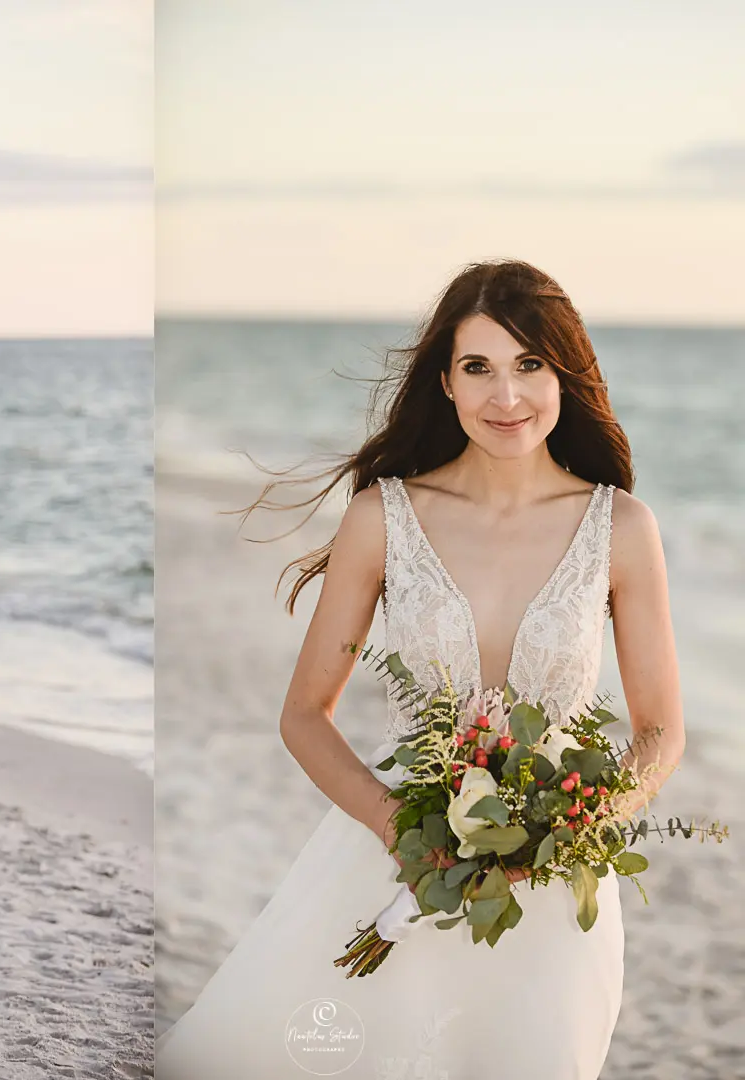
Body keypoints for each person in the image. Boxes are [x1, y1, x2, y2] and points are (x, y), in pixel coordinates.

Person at [156, 260, 683, 1078]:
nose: (505, 397)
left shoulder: (623, 528)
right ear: (444, 380)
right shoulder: (383, 518)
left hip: (554, 892)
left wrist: (572, 825)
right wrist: (398, 831)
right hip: (393, 859)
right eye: (479, 368)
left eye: (529, 365)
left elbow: (659, 731)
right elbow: (304, 714)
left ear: (567, 374)